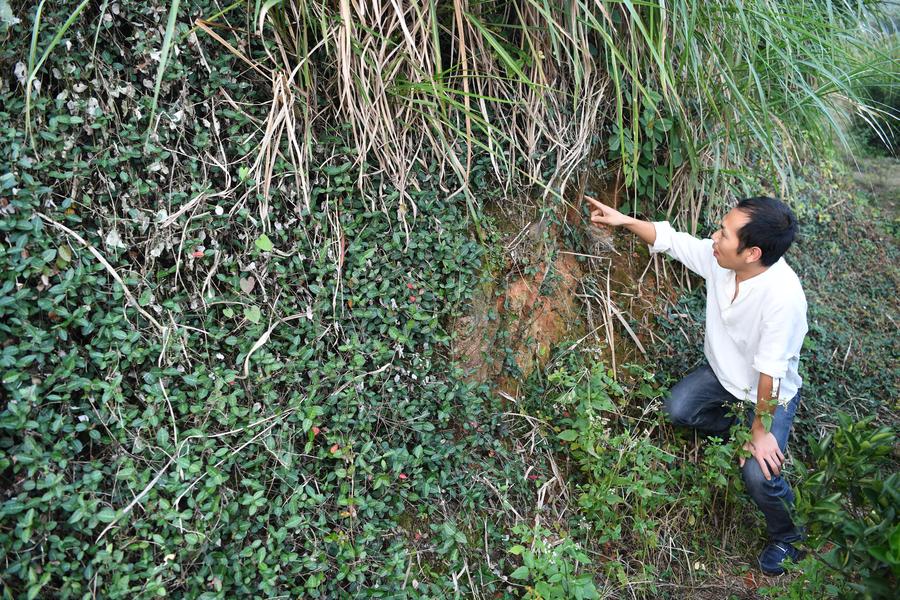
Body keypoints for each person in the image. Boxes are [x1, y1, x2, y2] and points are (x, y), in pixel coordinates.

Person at [586, 194, 808, 576]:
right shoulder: (722, 260)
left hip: (769, 395)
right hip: (722, 377)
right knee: (678, 409)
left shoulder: (783, 298)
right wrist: (624, 221)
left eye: (723, 233)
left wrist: (758, 430)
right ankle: (733, 434)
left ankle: (789, 535)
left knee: (758, 474)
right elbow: (673, 241)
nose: (714, 237)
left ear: (752, 253)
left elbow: (769, 374)